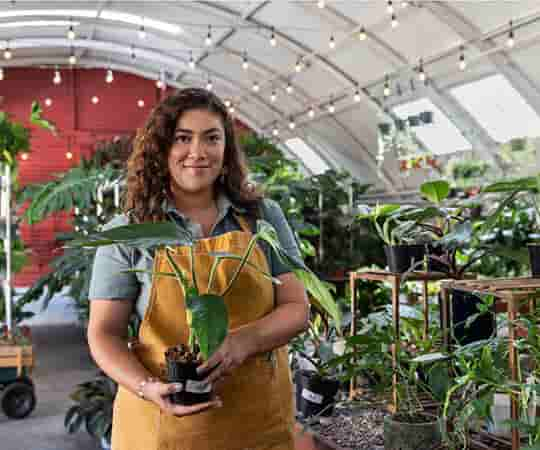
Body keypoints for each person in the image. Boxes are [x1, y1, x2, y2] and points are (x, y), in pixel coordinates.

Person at [87, 87, 310, 450]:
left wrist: (242, 343)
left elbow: (297, 308)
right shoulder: (129, 233)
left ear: (227, 149)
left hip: (256, 424)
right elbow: (104, 333)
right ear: (162, 148)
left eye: (211, 138)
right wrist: (146, 387)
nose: (197, 152)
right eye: (182, 138)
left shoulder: (261, 218)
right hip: (162, 426)